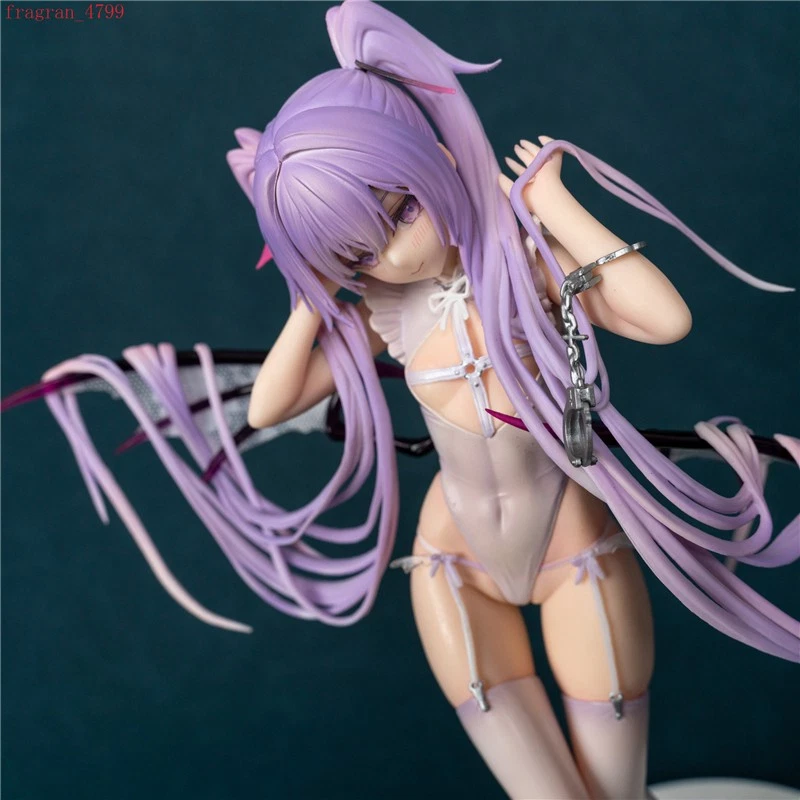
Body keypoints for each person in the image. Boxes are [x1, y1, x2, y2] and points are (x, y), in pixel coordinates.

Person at [4, 2, 797, 798]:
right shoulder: (387, 309)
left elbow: (666, 319)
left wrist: (554, 204)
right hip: (454, 564)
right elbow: (269, 406)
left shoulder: (522, 268)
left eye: (402, 211)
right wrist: (312, 294)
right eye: (361, 252)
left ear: (436, 158)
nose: (395, 253)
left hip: (575, 548)